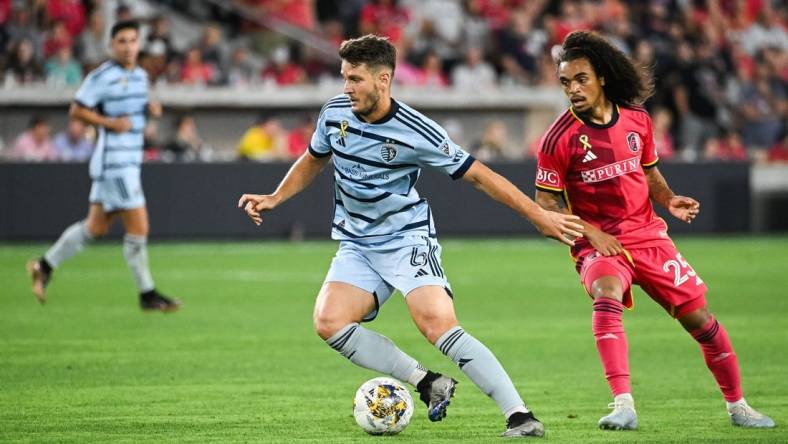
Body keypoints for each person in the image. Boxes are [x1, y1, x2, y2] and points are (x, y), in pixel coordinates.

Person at [237, 34, 584, 438]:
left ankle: (519, 414)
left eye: (356, 79)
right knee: (329, 322)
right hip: (357, 244)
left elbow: (478, 176)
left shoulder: (417, 130)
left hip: (406, 239)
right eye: (345, 78)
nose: (347, 87)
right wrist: (276, 197)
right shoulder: (334, 114)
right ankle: (426, 381)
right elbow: (314, 158)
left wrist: (538, 214)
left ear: (383, 80)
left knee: (437, 324)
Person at [533, 31, 775, 431]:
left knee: (701, 321)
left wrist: (669, 199)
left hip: (648, 236)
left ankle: (739, 406)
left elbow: (648, 172)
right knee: (606, 292)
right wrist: (591, 234)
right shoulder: (559, 138)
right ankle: (623, 404)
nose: (572, 89)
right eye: (565, 82)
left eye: (580, 79)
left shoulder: (637, 120)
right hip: (598, 242)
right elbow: (546, 206)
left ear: (602, 78)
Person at [26, 20, 180, 312]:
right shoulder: (102, 76)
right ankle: (147, 294)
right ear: (111, 45)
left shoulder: (140, 77)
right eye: (121, 41)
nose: (127, 46)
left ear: (139, 44)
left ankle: (43, 265)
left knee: (94, 227)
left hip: (129, 161)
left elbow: (135, 113)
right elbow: (77, 110)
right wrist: (108, 122)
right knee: (139, 226)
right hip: (115, 163)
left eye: (132, 40)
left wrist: (150, 111)